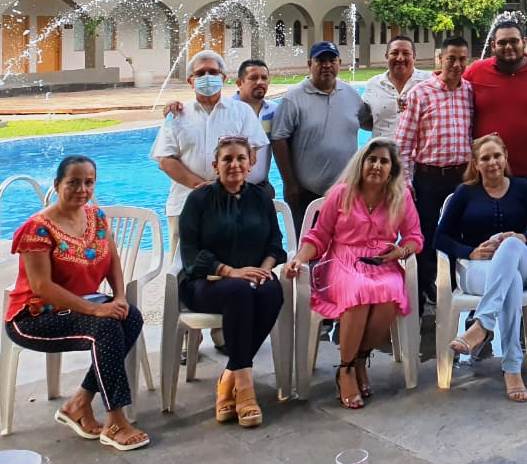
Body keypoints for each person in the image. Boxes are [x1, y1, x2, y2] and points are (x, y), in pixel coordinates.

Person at [5, 156, 149, 450]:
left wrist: (119, 297)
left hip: (78, 306)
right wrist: (97, 309)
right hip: (34, 316)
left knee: (130, 317)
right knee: (105, 328)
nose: (82, 189)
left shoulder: (96, 217)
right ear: (57, 184)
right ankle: (116, 421)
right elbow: (42, 286)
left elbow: (113, 260)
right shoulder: (37, 229)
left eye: (89, 182)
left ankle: (79, 402)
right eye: (73, 182)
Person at [282, 138, 423, 408]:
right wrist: (299, 259)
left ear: (392, 169)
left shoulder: (401, 196)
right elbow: (319, 236)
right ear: (361, 163)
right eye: (372, 160)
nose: (377, 166)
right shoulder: (341, 194)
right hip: (342, 261)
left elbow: (415, 237)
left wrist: (401, 251)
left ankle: (359, 360)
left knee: (390, 294)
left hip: (383, 262)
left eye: (384, 161)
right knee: (359, 291)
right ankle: (346, 369)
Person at [178, 136, 286, 426]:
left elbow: (275, 244)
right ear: (216, 165)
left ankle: (229, 378)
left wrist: (264, 270)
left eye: (241, 158)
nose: (234, 164)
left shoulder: (260, 198)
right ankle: (246, 388)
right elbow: (190, 253)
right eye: (227, 159)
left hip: (251, 278)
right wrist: (231, 271)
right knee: (240, 291)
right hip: (205, 283)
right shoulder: (199, 199)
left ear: (250, 165)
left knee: (272, 291)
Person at [437, 135, 527, 402]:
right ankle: (512, 367)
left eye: (497, 155)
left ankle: (482, 324)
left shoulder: (523, 189)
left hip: (521, 262)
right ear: (476, 164)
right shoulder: (465, 193)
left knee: (510, 245)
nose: (492, 162)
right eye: (485, 158)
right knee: (510, 282)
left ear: (505, 157)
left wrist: (523, 238)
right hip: (478, 269)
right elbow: (440, 238)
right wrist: (470, 251)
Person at [396, 35, 473, 356]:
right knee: (426, 238)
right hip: (429, 177)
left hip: (461, 178)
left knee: (459, 236)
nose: (456, 65)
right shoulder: (420, 93)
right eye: (451, 58)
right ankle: (427, 295)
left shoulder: (469, 91)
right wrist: (406, 182)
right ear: (440, 59)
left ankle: (454, 293)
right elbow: (403, 144)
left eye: (462, 59)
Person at [150, 49, 268, 232]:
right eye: (200, 73)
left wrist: (222, 187)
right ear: (190, 81)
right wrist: (202, 187)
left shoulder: (242, 112)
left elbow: (251, 153)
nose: (207, 77)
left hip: (232, 204)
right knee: (183, 251)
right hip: (185, 204)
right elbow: (165, 160)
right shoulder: (177, 115)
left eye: (213, 72)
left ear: (223, 77)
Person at [272, 41, 363, 226]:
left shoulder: (351, 94)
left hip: (347, 193)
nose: (327, 65)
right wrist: (290, 184)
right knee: (308, 242)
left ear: (339, 63)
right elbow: (278, 138)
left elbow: (368, 121)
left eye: (332, 60)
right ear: (309, 64)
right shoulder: (293, 98)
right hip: (307, 194)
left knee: (346, 242)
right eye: (320, 60)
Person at [464, 21, 527, 186]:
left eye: (514, 41)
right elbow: (450, 84)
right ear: (493, 46)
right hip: (484, 172)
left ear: (524, 42)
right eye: (502, 42)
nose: (508, 47)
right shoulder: (476, 71)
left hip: (526, 174)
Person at [360, 36, 429, 138]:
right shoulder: (374, 84)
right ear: (386, 56)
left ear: (414, 56)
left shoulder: (429, 82)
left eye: (406, 53)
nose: (400, 58)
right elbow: (364, 119)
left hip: (417, 148)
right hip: (382, 147)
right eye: (394, 53)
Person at [233, 59, 279, 197]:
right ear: (239, 83)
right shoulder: (227, 110)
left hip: (262, 187)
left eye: (264, 78)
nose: (260, 82)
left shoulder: (274, 110)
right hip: (231, 191)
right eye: (253, 78)